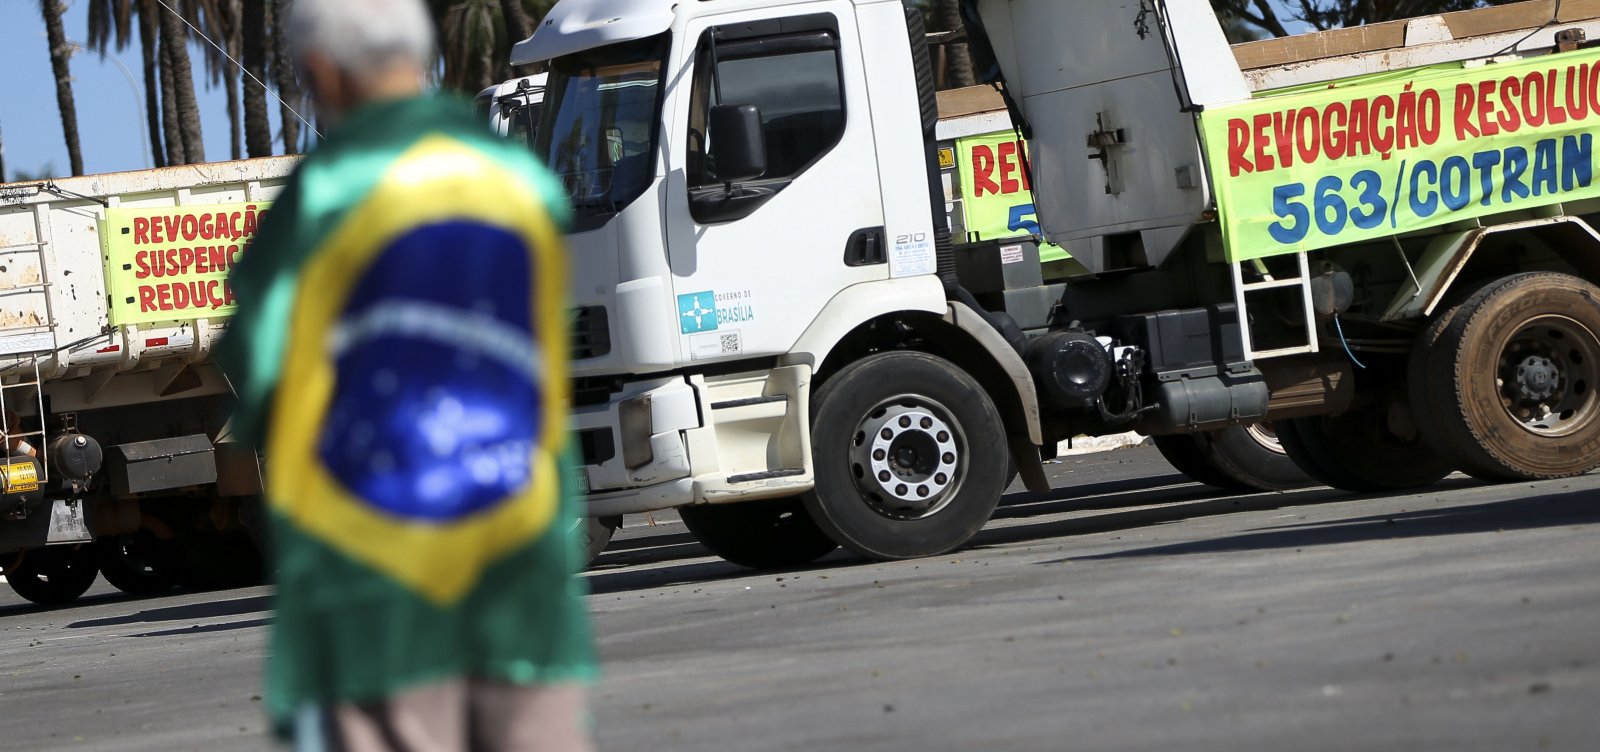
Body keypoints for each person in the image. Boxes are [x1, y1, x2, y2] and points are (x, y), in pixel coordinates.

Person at [214, 0, 596, 749]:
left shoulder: (325, 194)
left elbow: (261, 362)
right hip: (521, 564)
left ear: (322, 71)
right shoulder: (521, 179)